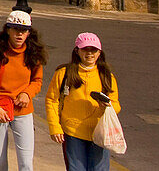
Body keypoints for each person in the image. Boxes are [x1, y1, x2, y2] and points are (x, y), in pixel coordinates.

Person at [0, 10, 47, 171]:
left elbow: (37, 81)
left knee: (26, 162)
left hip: (22, 111)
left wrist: (27, 93)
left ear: (29, 33)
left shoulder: (33, 53)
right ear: (8, 30)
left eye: (23, 31)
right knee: (0, 161)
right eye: (15, 29)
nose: (19, 34)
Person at [45, 32, 121, 171]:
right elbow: (52, 100)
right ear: (77, 51)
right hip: (73, 133)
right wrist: (55, 127)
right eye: (85, 49)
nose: (89, 53)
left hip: (99, 133)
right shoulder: (64, 73)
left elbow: (115, 104)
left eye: (94, 50)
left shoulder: (106, 76)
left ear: (99, 52)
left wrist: (108, 106)